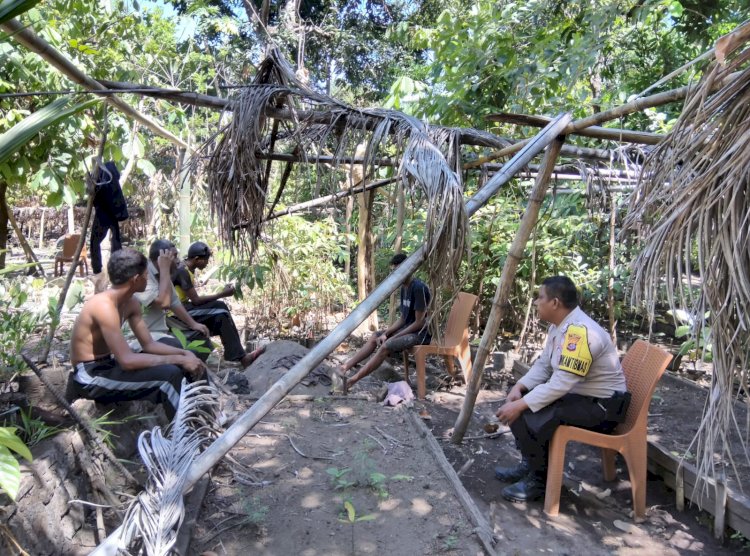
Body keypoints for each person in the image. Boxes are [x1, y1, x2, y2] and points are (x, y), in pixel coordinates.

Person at [494, 276, 631, 503]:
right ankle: (531, 465)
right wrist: (521, 386)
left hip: (602, 409)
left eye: (540, 297)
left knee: (528, 411)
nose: (536, 302)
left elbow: (561, 384)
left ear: (555, 303)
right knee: (522, 403)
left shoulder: (580, 333)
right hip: (583, 399)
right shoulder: (560, 327)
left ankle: (539, 480)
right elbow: (545, 365)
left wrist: (520, 404)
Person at [67, 248, 206, 420]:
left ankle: (203, 419)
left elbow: (149, 344)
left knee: (187, 362)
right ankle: (187, 437)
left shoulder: (131, 302)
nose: (148, 278)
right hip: (90, 375)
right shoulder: (103, 306)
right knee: (168, 377)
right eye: (146, 275)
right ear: (135, 279)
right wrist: (179, 359)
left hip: (109, 365)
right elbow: (126, 361)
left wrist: (184, 354)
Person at [338, 253, 431, 393]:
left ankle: (353, 380)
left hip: (421, 334)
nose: (395, 274)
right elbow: (403, 319)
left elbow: (419, 323)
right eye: (393, 271)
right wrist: (386, 333)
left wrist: (392, 338)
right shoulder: (404, 288)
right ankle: (346, 367)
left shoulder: (418, 288)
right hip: (408, 329)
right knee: (376, 336)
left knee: (386, 346)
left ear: (409, 269)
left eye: (398, 271)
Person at [172, 241, 264, 368]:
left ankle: (240, 357)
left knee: (221, 314)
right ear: (197, 259)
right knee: (220, 308)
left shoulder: (188, 269)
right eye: (206, 260)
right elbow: (196, 301)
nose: (207, 263)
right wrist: (222, 294)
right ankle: (240, 357)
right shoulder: (183, 271)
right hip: (177, 312)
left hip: (184, 307)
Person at [131, 239, 213, 360]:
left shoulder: (163, 275)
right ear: (162, 259)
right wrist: (164, 270)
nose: (178, 260)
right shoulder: (143, 275)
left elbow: (174, 302)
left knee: (202, 339)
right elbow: (164, 303)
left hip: (160, 333)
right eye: (174, 257)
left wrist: (194, 324)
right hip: (143, 337)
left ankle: (191, 374)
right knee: (181, 348)